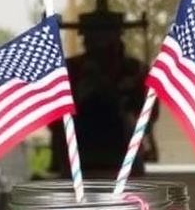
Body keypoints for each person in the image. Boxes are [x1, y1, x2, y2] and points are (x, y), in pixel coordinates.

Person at [48, 14, 158, 180]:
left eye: (105, 37)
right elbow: (54, 117)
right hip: (80, 158)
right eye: (94, 37)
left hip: (123, 158)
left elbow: (148, 115)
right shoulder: (72, 71)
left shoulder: (134, 70)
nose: (99, 43)